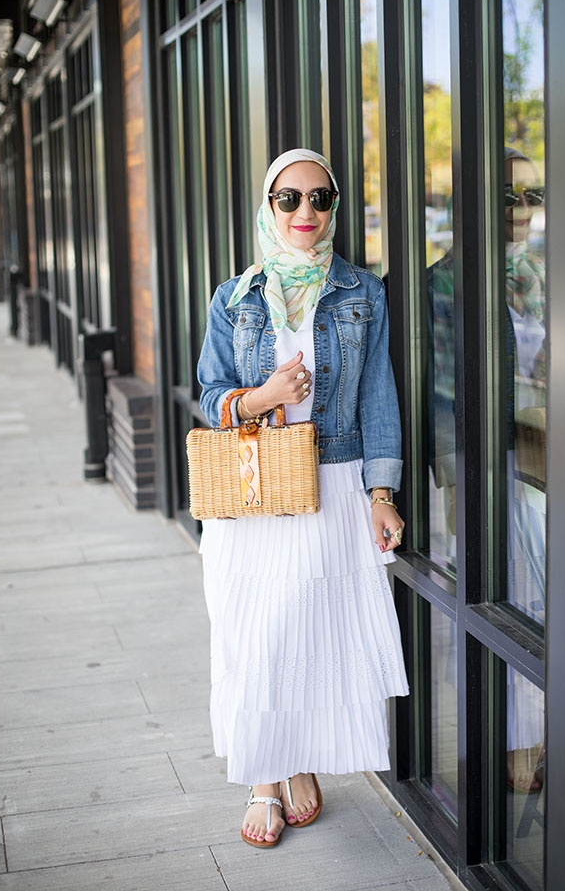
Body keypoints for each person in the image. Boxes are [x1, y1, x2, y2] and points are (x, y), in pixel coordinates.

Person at [196, 148, 410, 848]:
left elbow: (379, 393)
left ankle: (299, 759)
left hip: (330, 486)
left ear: (334, 206)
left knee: (307, 634)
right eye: (289, 199)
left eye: (320, 199)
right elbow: (209, 395)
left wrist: (381, 491)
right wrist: (261, 397)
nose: (306, 214)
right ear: (268, 206)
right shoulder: (234, 296)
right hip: (256, 493)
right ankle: (266, 777)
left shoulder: (362, 293)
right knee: (257, 636)